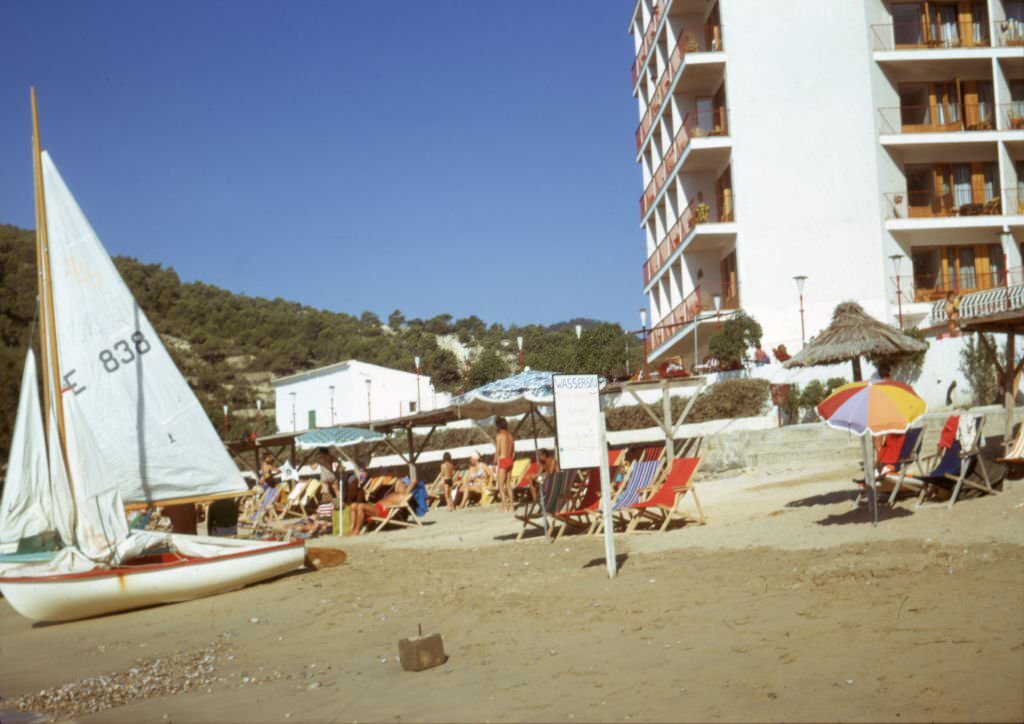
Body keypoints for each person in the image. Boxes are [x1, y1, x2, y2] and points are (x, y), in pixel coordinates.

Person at [348, 475, 417, 535]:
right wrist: (400, 480)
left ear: (406, 486)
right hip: (376, 507)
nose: (398, 485)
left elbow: (414, 481)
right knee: (353, 505)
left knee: (361, 506)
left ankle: (356, 530)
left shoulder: (404, 494)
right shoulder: (395, 492)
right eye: (398, 484)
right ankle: (351, 530)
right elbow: (398, 482)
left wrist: (410, 481)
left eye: (401, 484)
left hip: (383, 511)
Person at [494, 417, 515, 513]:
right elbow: (514, 453)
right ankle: (512, 506)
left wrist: (495, 462)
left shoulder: (499, 436)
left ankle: (505, 507)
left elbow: (497, 451)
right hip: (510, 460)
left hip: (503, 460)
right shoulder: (510, 436)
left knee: (501, 486)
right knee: (508, 485)